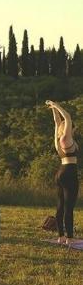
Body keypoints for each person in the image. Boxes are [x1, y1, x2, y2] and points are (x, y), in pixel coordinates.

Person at [46, 100, 78, 244]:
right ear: (67, 128)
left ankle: (61, 236)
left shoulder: (58, 140)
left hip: (60, 173)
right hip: (69, 172)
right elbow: (67, 118)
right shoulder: (66, 138)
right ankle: (70, 238)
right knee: (69, 206)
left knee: (60, 205)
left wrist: (53, 108)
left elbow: (56, 122)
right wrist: (57, 105)